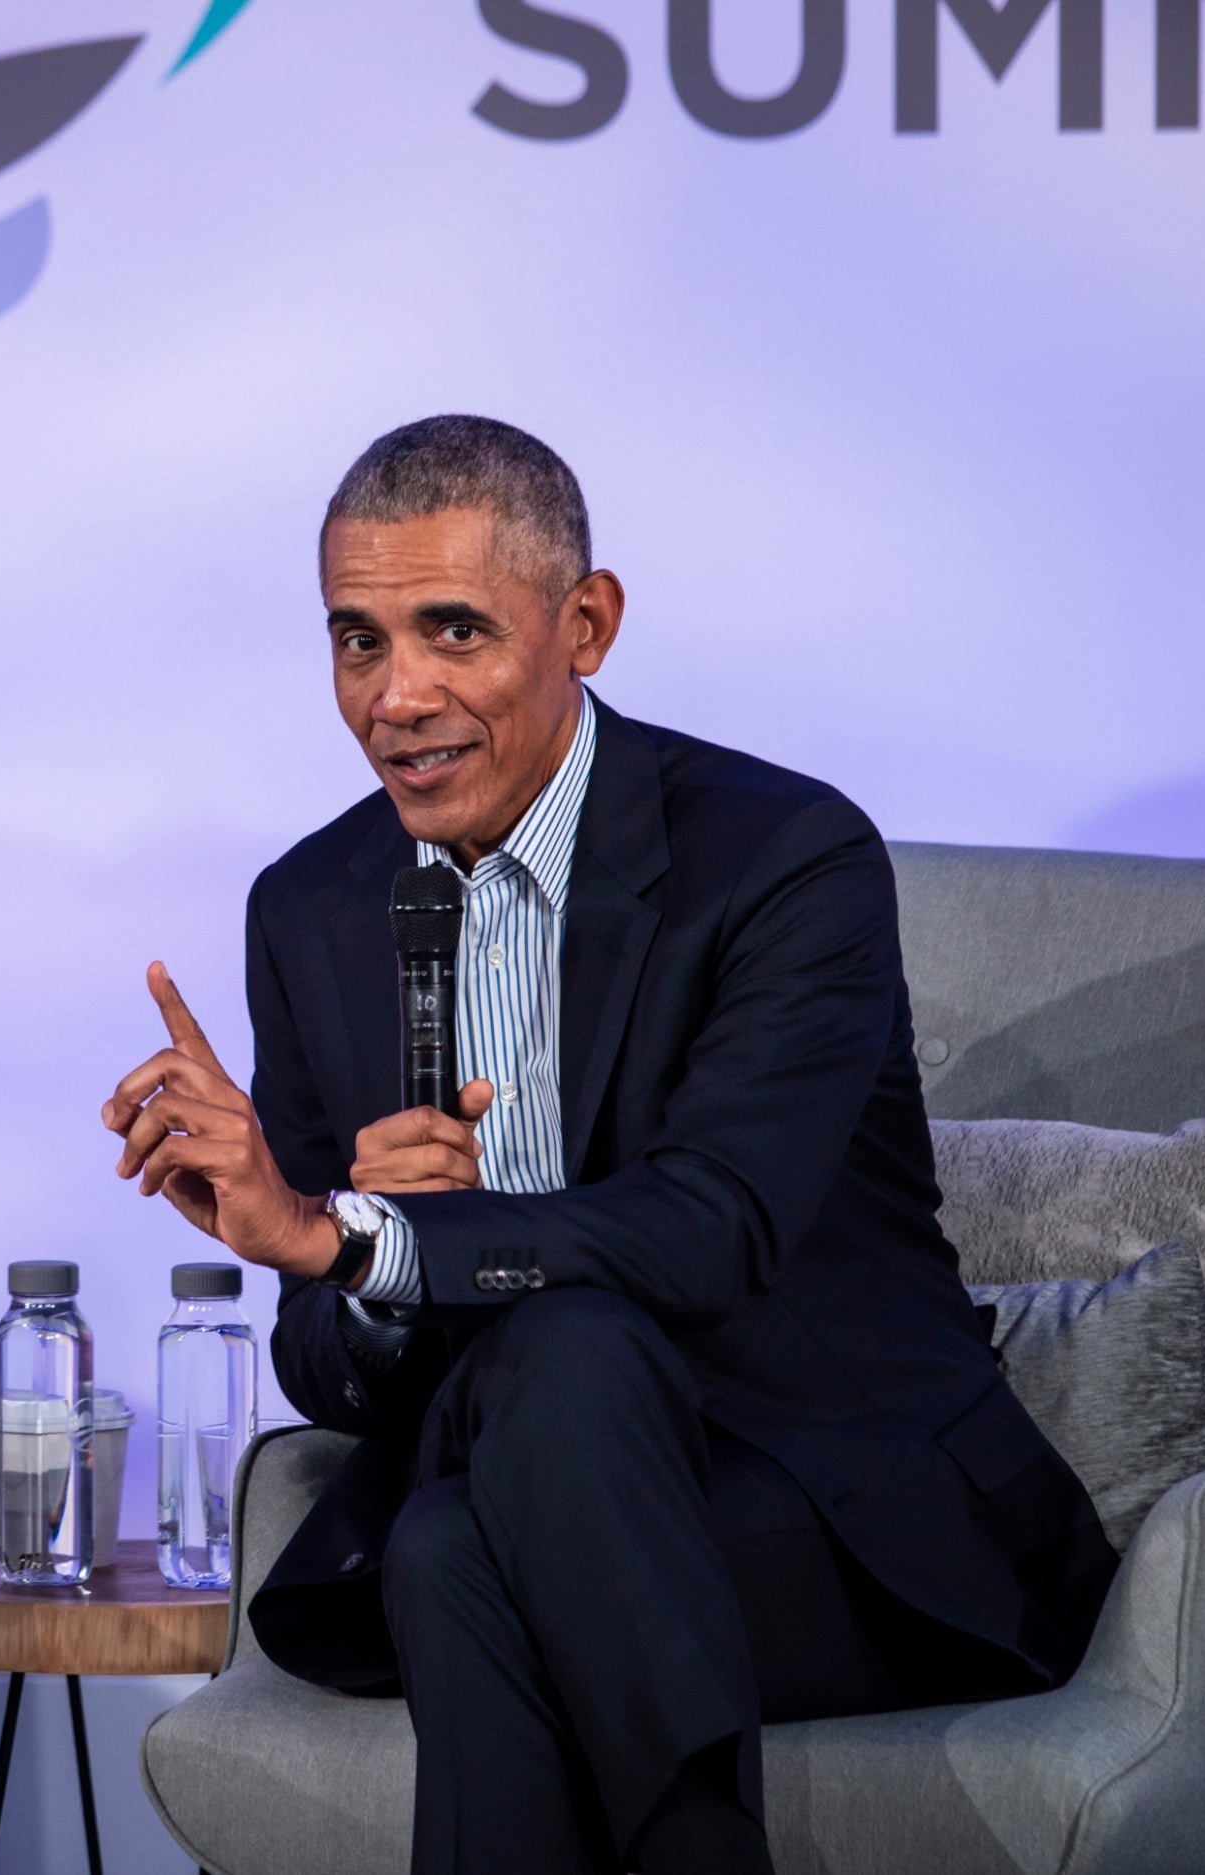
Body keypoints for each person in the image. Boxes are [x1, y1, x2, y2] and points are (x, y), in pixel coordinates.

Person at [100, 417, 1117, 1874]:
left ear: (588, 624)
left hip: (841, 1512)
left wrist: (368, 1240)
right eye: (357, 641)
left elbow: (711, 1227)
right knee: (518, 1443)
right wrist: (358, 1269)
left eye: (453, 630)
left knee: (467, 1546)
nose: (399, 696)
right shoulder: (311, 908)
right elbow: (323, 1363)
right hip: (524, 1467)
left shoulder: (783, 859)